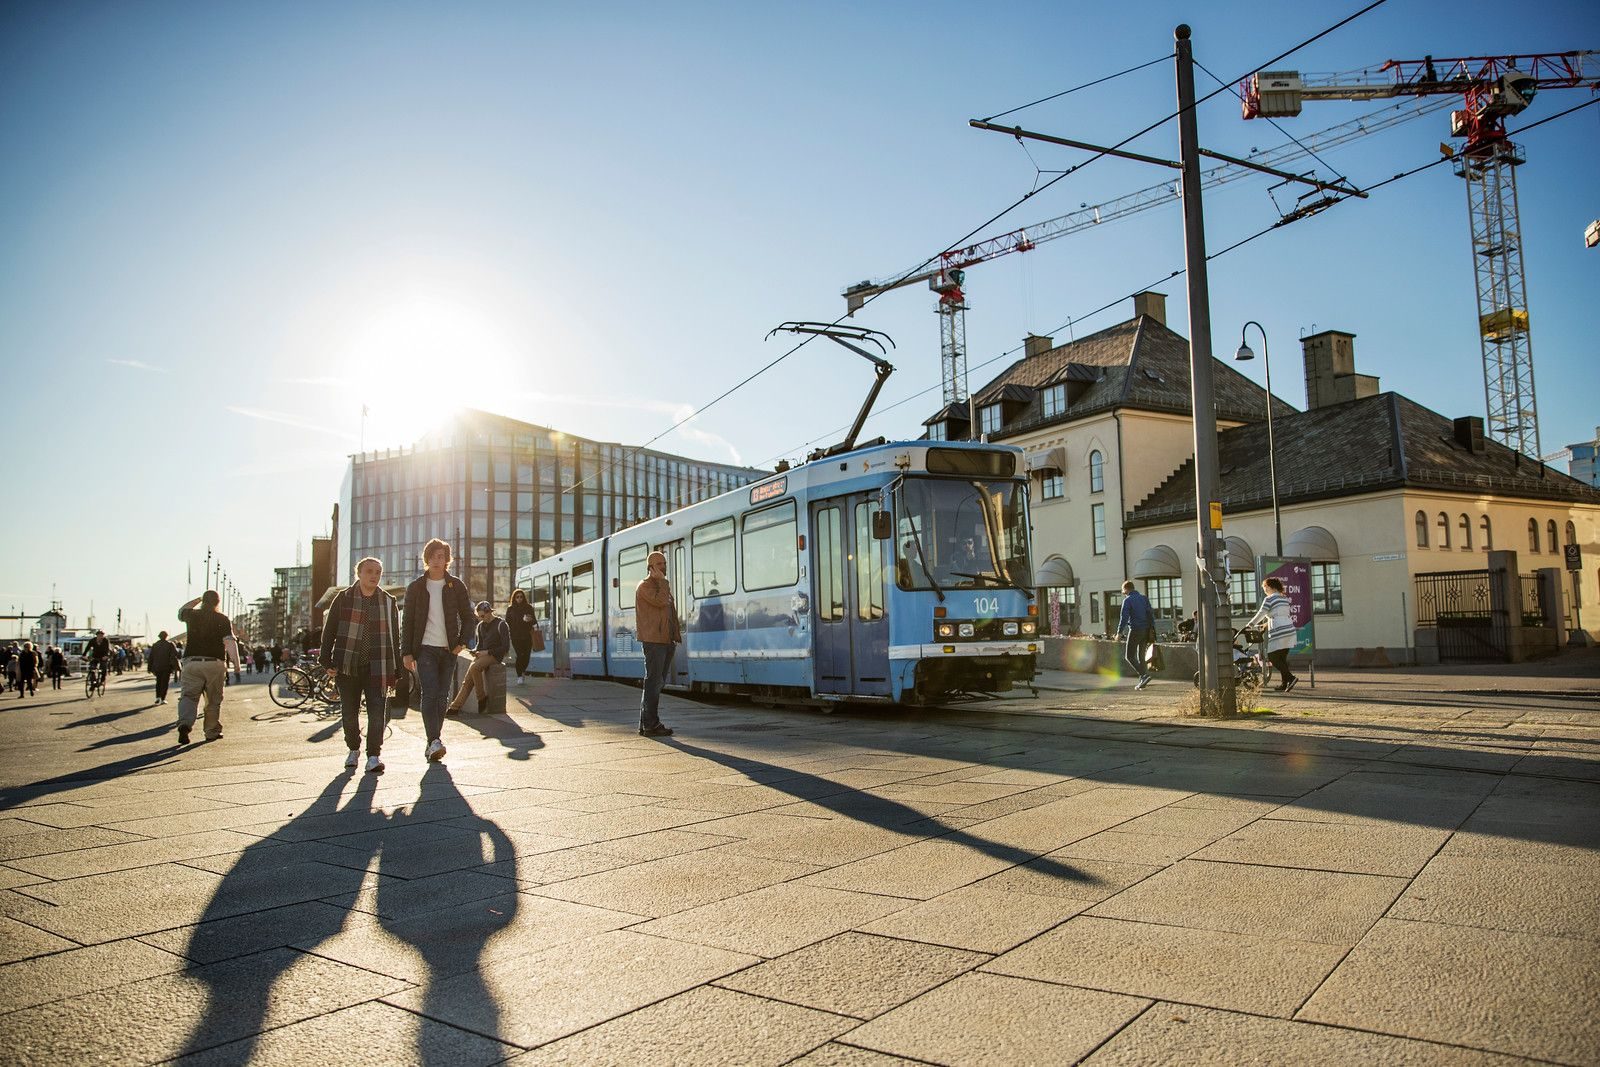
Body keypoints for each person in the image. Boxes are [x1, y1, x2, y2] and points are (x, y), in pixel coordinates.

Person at [321, 557, 401, 774]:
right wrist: (325, 659)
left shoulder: (388, 601)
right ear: (359, 573)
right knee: (349, 712)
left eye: (378, 572)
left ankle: (374, 756)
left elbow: (395, 635)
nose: (374, 575)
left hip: (379, 665)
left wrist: (398, 666)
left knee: (378, 713)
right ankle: (353, 749)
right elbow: (329, 631)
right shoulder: (344, 598)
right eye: (369, 571)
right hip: (347, 665)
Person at [401, 538, 475, 763]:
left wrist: (461, 643)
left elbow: (468, 616)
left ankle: (433, 741)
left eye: (441, 556)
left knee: (442, 696)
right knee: (430, 693)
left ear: (446, 560)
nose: (436, 560)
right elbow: (408, 622)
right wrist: (406, 652)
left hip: (448, 649)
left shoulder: (456, 585)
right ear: (426, 559)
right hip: (425, 650)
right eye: (432, 556)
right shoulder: (416, 587)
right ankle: (433, 740)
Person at [176, 590, 234, 744]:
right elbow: (229, 641)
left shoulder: (192, 615)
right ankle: (211, 731)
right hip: (214, 662)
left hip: (192, 662)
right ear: (217, 602)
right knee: (213, 700)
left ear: (203, 601)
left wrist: (197, 599)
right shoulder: (222, 618)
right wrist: (235, 663)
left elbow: (181, 610)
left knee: (188, 696)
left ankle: (185, 725)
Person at [634, 550, 679, 737]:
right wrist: (663, 581)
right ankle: (651, 724)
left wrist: (675, 636)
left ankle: (646, 724)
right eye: (659, 564)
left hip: (665, 640)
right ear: (651, 567)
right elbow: (661, 603)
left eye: (664, 563)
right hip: (653, 641)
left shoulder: (661, 586)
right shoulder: (645, 586)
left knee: (656, 683)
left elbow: (670, 613)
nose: (664, 567)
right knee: (653, 682)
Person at [447, 601, 510, 715]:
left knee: (475, 667)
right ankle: (454, 708)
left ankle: (481, 698)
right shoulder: (480, 626)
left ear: (489, 612)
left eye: (482, 616)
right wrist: (475, 651)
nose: (481, 619)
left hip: (495, 656)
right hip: (483, 655)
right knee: (467, 681)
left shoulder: (501, 624)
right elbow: (480, 645)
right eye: (479, 616)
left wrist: (487, 652)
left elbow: (505, 647)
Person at [1245, 576, 1299, 692]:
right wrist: (1265, 625)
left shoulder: (1269, 599)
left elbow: (1261, 613)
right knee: (1282, 659)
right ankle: (1284, 684)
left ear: (1269, 587)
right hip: (1289, 629)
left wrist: (1250, 624)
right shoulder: (1283, 598)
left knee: (1273, 657)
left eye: (1264, 587)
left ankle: (1291, 678)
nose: (1264, 590)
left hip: (1279, 630)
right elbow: (1278, 614)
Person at [1117, 579, 1156, 690]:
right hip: (1146, 630)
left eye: (1123, 590)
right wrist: (1152, 629)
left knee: (1129, 656)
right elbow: (1150, 614)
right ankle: (1142, 682)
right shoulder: (1144, 598)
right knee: (1141, 657)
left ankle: (1144, 675)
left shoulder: (1128, 600)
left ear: (1126, 589)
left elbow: (1124, 617)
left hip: (1135, 630)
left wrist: (1119, 632)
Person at [505, 588, 537, 686]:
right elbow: (507, 622)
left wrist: (529, 620)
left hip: (527, 636)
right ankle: (519, 675)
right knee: (520, 655)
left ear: (524, 598)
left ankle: (522, 671)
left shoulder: (528, 608)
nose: (519, 599)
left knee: (526, 656)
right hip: (515, 636)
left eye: (521, 597)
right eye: (517, 597)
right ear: (514, 598)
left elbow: (535, 622)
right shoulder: (510, 609)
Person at [147, 630, 180, 705]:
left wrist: (149, 668)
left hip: (157, 667)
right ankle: (163, 698)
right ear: (166, 636)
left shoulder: (155, 645)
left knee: (158, 682)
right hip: (167, 667)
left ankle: (158, 698)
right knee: (164, 683)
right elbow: (175, 655)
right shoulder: (170, 644)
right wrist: (176, 667)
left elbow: (151, 657)